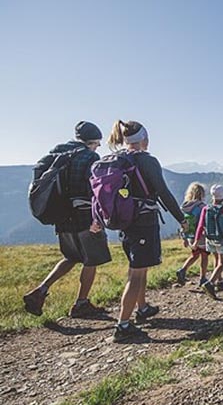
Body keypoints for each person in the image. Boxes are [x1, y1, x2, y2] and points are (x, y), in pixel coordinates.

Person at [106, 120, 188, 342]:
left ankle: (142, 308)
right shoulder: (147, 161)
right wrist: (181, 219)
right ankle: (123, 326)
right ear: (143, 138)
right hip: (143, 222)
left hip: (124, 222)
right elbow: (163, 192)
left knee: (138, 268)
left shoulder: (116, 160)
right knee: (136, 273)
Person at [23, 121, 112, 318]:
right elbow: (93, 190)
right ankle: (81, 303)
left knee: (71, 257)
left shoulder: (56, 153)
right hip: (84, 216)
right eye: (97, 143)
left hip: (61, 217)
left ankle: (41, 290)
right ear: (91, 141)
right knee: (92, 259)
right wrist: (99, 217)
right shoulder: (89, 157)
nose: (98, 147)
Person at [193, 184, 223, 299]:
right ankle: (210, 283)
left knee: (216, 259)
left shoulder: (206, 209)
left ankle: (219, 281)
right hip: (222, 239)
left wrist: (196, 241)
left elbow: (200, 226)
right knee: (222, 262)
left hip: (210, 239)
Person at [176, 182, 209, 286]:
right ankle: (203, 278)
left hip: (190, 236)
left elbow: (183, 224)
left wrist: (184, 238)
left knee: (194, 255)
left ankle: (182, 270)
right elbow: (205, 223)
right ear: (202, 194)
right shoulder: (202, 207)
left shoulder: (185, 207)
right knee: (204, 256)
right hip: (201, 237)